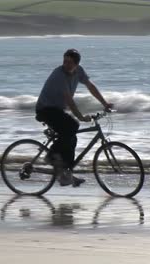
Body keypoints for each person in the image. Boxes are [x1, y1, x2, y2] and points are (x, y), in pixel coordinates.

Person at [35, 49, 112, 187]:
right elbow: (69, 100)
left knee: (72, 136)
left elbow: (90, 86)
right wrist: (81, 117)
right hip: (45, 109)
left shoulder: (79, 71)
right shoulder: (59, 75)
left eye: (69, 62)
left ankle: (67, 173)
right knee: (73, 125)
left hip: (57, 109)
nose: (66, 64)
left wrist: (104, 103)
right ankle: (51, 156)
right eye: (64, 61)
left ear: (77, 64)